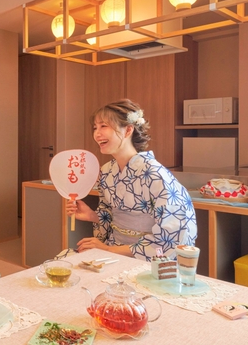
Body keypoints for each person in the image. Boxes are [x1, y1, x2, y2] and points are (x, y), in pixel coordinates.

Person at [65, 99, 197, 261]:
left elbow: (172, 235)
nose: (97, 134)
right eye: (95, 128)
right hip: (113, 249)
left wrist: (108, 250)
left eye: (103, 126)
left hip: (148, 259)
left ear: (128, 130)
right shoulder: (107, 171)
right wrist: (92, 216)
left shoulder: (155, 174)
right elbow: (110, 215)